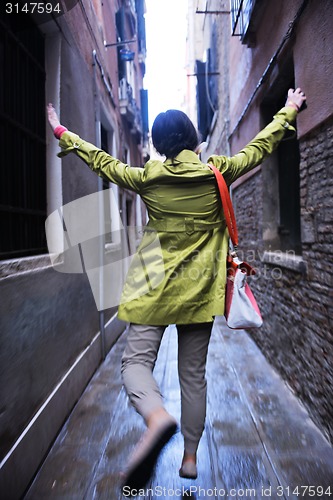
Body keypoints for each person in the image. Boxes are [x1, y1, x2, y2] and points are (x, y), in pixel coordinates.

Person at [47, 87, 306, 489]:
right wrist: (288, 111)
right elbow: (258, 148)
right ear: (194, 140)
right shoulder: (216, 172)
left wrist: (64, 133)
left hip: (152, 290)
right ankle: (188, 458)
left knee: (134, 365)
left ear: (157, 144)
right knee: (193, 376)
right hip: (198, 293)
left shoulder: (149, 178)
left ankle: (155, 416)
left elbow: (105, 163)